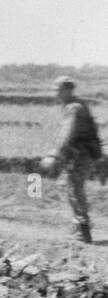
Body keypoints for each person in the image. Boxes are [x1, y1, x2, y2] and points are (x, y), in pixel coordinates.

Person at [40, 76, 102, 243]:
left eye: (58, 90)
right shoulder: (75, 105)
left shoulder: (73, 108)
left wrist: (54, 154)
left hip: (79, 154)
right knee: (68, 186)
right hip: (79, 153)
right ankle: (79, 226)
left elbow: (67, 134)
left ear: (68, 90)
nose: (55, 93)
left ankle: (82, 229)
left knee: (72, 187)